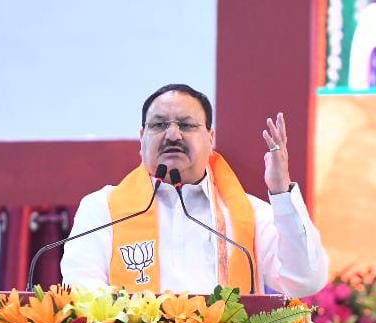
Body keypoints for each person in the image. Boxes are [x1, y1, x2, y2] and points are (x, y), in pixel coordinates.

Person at [61, 84, 328, 297]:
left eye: (187, 125)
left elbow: (304, 281)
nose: (173, 135)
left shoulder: (250, 213)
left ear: (210, 138)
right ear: (142, 138)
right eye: (159, 125)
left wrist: (281, 194)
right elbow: (82, 291)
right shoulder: (102, 209)